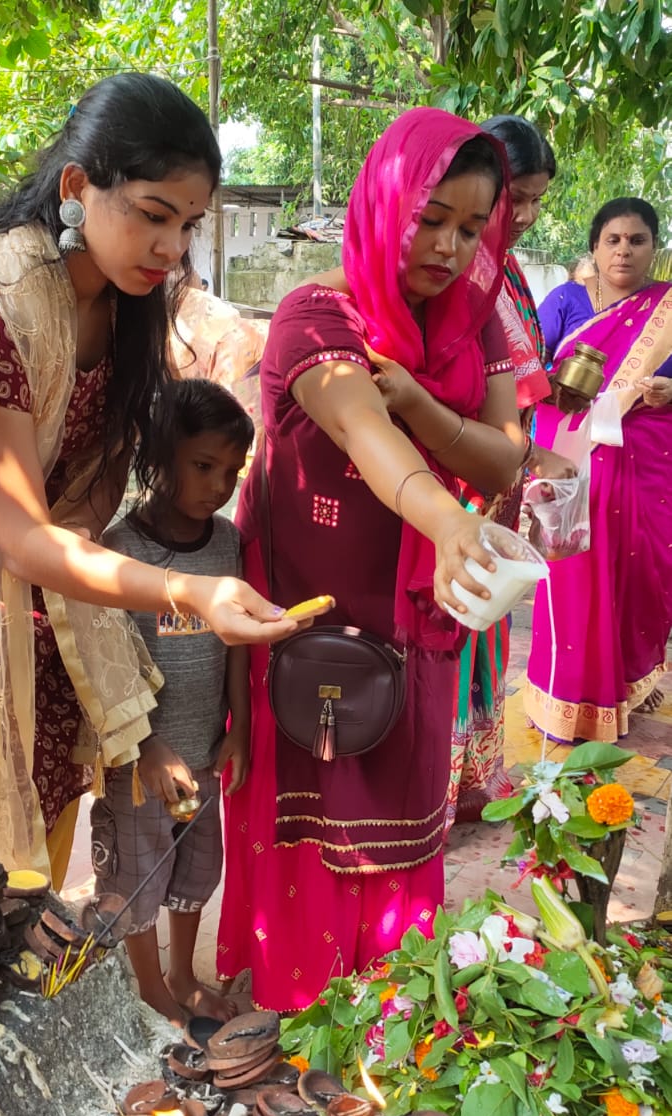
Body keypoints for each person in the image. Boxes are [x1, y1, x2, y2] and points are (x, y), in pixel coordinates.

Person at [0, 72, 309, 881]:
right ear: (77, 188)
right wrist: (189, 592)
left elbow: (87, 493)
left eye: (189, 224)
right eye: (153, 214)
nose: (172, 248)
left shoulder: (125, 302)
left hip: (43, 626)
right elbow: (18, 531)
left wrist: (67, 556)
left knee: (28, 875)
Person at [217, 107, 527, 1013]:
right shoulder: (316, 316)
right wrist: (446, 517)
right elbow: (363, 430)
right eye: (430, 218)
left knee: (402, 804)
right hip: (312, 615)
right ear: (385, 201)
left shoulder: (474, 321)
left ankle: (389, 1013)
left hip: (417, 615)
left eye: (470, 228)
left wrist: (424, 408)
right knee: (312, 800)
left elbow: (504, 457)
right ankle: (299, 1008)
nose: (447, 247)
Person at [91, 379, 251, 1023]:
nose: (219, 485)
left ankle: (182, 976)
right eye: (203, 466)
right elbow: (107, 660)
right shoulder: (120, 550)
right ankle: (149, 987)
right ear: (160, 457)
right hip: (140, 765)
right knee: (139, 875)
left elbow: (235, 644)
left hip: (205, 751)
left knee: (195, 868)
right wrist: (146, 744)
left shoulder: (226, 543)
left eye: (232, 471)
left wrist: (238, 726)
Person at [433, 115, 576, 827]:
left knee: (485, 624)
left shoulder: (507, 271)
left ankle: (467, 779)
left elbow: (520, 383)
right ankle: (435, 783)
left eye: (535, 202)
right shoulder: (456, 269)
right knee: (453, 620)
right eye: (514, 197)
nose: (521, 215)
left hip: (497, 475)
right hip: (452, 482)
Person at [525, 197, 672, 741]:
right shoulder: (566, 300)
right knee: (571, 570)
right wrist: (562, 386)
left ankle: (629, 679)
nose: (624, 251)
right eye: (613, 240)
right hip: (570, 457)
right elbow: (526, 369)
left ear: (654, 248)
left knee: (640, 571)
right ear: (594, 247)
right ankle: (565, 694)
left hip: (646, 463)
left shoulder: (667, 307)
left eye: (637, 240)